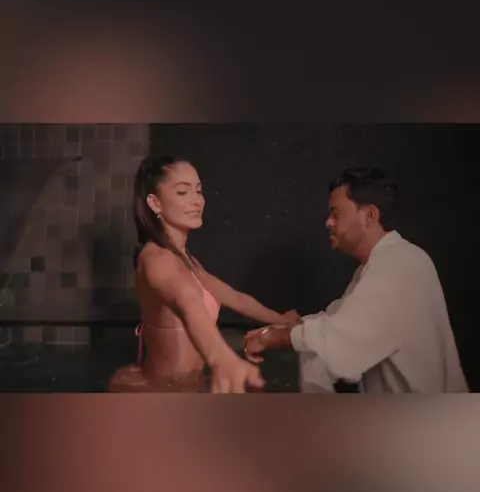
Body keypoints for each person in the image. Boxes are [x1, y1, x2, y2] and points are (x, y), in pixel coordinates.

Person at [244, 167, 469, 393]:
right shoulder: (389, 261)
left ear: (369, 215)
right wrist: (279, 329)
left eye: (336, 214)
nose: (328, 222)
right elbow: (334, 321)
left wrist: (274, 337)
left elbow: (339, 340)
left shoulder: (397, 265)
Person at [109, 154, 299, 393]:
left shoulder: (188, 260)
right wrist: (222, 359)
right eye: (182, 192)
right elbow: (188, 301)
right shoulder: (157, 259)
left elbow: (235, 298)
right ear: (155, 203)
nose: (196, 200)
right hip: (165, 392)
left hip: (189, 386)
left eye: (198, 191)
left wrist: (282, 321)